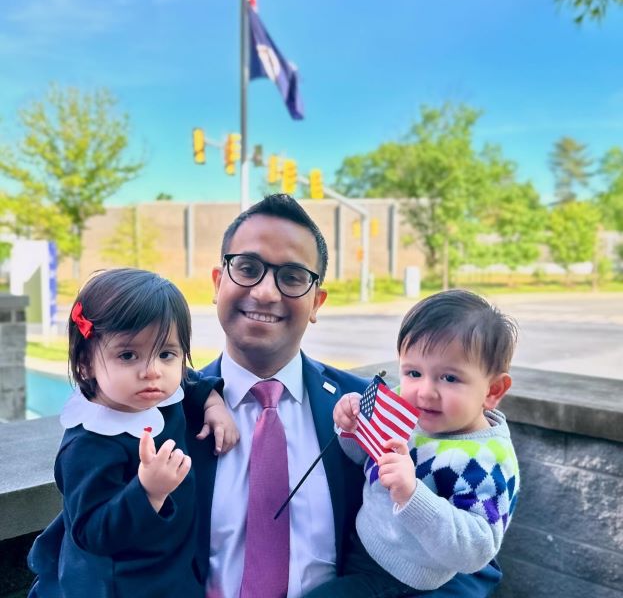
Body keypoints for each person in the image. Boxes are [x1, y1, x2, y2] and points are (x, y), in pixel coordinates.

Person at [189, 193, 505, 598]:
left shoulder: (376, 411)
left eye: (291, 276)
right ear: (218, 283)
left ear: (316, 302)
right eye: (248, 268)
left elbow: (470, 563)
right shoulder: (167, 409)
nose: (266, 292)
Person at [27, 268, 239, 598]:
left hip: (172, 566)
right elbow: (92, 532)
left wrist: (212, 403)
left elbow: (188, 382)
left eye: (166, 353)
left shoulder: (160, 392)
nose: (152, 371)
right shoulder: (90, 444)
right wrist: (147, 491)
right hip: (120, 583)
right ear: (85, 363)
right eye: (128, 355)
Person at [305, 289, 520, 597]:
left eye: (449, 378)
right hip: (364, 545)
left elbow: (476, 549)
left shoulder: (486, 460)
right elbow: (363, 457)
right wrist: (351, 428)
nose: (425, 391)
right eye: (414, 372)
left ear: (493, 390)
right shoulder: (406, 411)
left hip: (403, 580)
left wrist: (411, 493)